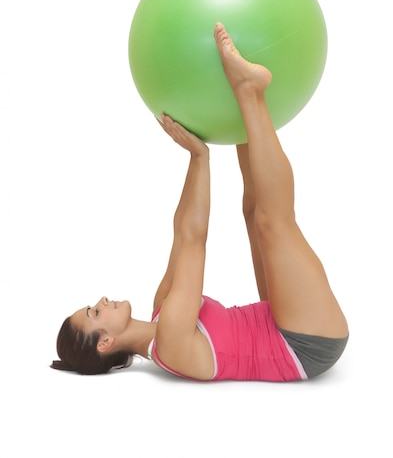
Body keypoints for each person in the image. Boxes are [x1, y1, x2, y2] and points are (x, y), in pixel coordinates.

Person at [51, 22, 348, 381]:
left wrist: (200, 156)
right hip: (303, 344)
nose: (100, 302)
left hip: (277, 318)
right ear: (106, 343)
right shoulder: (171, 344)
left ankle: (244, 112)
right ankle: (249, 92)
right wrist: (200, 158)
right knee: (273, 223)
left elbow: (181, 231)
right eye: (94, 314)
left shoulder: (162, 307)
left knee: (253, 211)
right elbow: (195, 241)